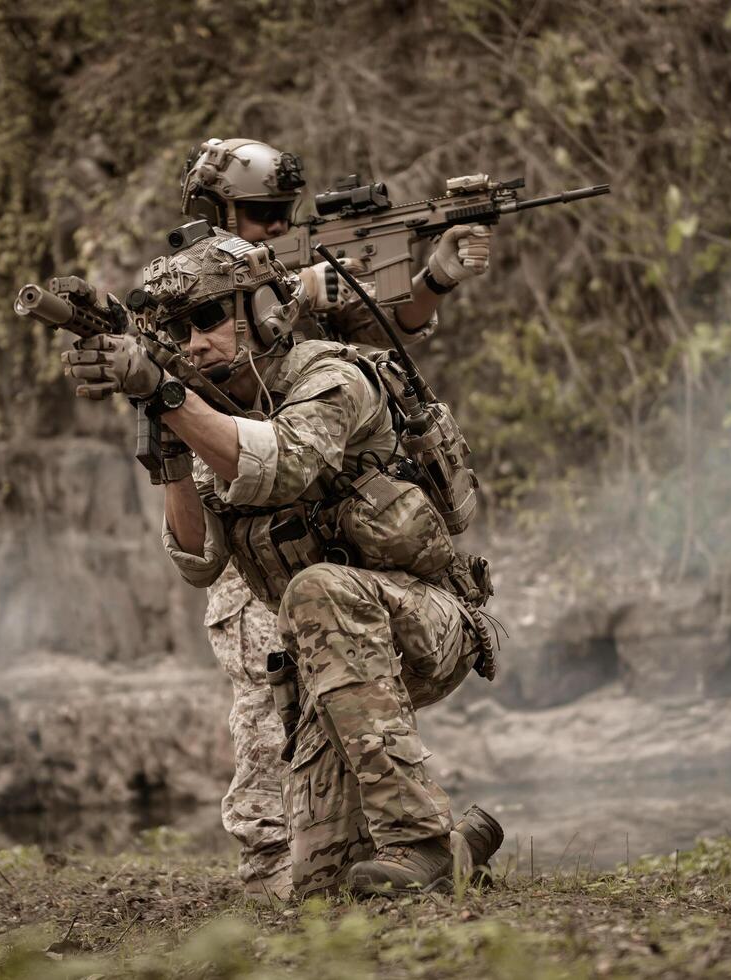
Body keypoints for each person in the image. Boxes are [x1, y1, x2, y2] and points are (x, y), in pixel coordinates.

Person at [61, 231, 500, 897]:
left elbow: (280, 462)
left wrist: (167, 392)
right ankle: (458, 851)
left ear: (264, 309)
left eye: (209, 318)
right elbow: (197, 560)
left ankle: (419, 842)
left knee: (316, 587)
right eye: (177, 330)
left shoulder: (331, 376)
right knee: (322, 891)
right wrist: (166, 429)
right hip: (333, 668)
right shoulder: (210, 418)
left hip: (427, 624)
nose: (195, 340)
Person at [171, 137, 499, 899]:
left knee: (327, 640)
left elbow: (392, 326)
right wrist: (287, 292)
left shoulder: (314, 334)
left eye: (278, 214)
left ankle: (410, 841)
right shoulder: (199, 283)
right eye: (255, 215)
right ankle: (389, 849)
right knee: (267, 711)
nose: (269, 228)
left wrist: (433, 277)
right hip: (253, 515)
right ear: (212, 210)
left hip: (337, 519)